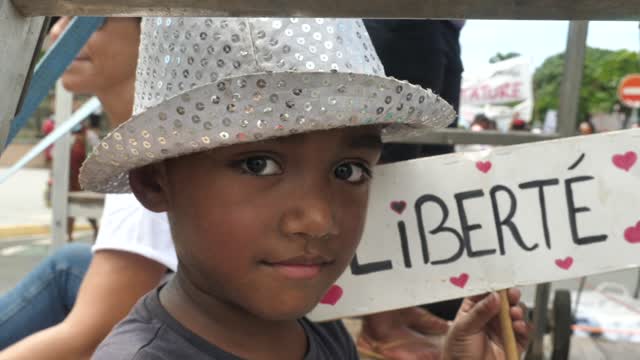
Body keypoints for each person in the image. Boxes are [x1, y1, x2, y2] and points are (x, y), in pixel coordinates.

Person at [85, 17, 530, 360]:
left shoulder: (316, 331)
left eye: (350, 171)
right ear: (154, 181)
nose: (318, 219)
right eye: (258, 164)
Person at [0, 17, 172, 360]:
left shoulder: (149, 165)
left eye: (90, 19)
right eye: (60, 16)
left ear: (151, 34)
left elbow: (86, 338)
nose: (55, 31)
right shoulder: (146, 136)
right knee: (69, 263)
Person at [359, 19, 466, 358]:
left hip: (444, 23)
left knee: (424, 169)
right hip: (404, 17)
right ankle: (380, 326)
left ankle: (396, 308)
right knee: (392, 172)